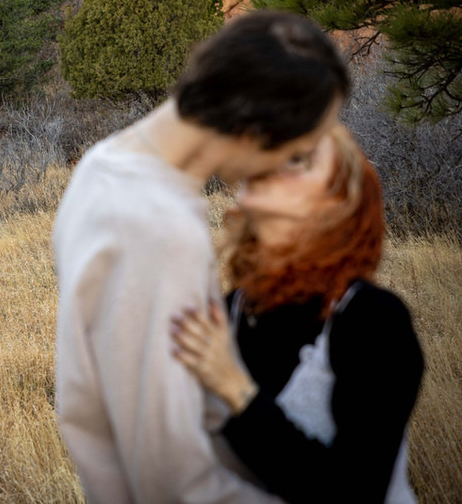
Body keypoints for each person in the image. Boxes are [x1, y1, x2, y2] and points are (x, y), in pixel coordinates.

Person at [53, 10, 350, 503]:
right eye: (297, 152)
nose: (285, 169)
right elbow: (173, 481)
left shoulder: (103, 165)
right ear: (255, 131)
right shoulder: (157, 227)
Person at [170, 125, 424, 503]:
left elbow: (356, 491)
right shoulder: (232, 311)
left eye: (298, 160)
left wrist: (234, 389)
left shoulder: (374, 321)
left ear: (336, 204)